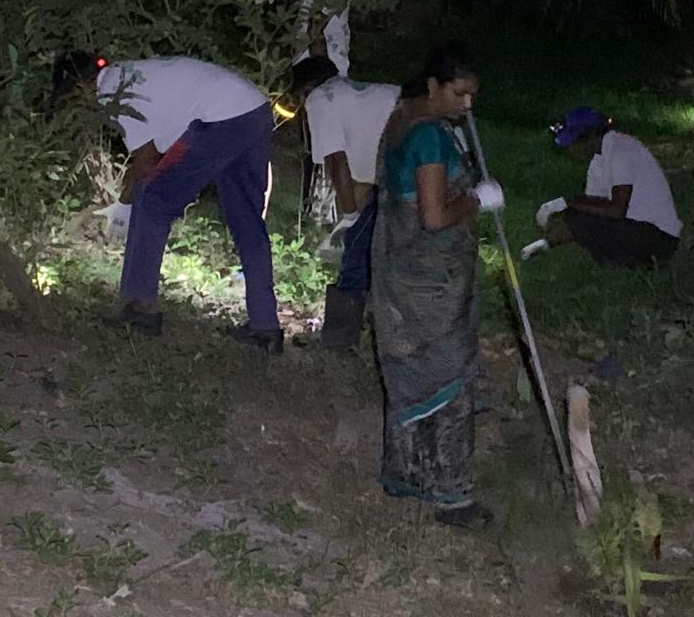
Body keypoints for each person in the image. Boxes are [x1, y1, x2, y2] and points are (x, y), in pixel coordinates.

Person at [51, 51, 283, 353]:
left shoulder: (113, 91)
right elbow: (160, 150)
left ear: (81, 85)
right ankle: (265, 327)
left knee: (152, 200)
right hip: (255, 111)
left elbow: (146, 160)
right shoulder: (131, 72)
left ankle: (141, 307)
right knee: (247, 219)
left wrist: (124, 206)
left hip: (218, 121)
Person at [371, 41, 503, 529]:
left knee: (414, 373)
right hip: (429, 283)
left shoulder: (404, 117)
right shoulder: (428, 136)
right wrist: (477, 199)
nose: (467, 104)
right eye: (459, 93)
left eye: (472, 96)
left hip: (402, 272)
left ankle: (407, 474)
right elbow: (433, 216)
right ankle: (451, 496)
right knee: (446, 376)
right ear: (433, 86)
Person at [291, 57, 400, 350]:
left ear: (307, 90)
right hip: (410, 164)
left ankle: (339, 340)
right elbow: (362, 172)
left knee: (357, 252)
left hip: (405, 167)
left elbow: (337, 162)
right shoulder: (356, 96)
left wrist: (350, 215)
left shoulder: (320, 100)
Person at [521, 106, 682, 268]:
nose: (572, 149)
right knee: (579, 216)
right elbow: (592, 207)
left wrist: (567, 202)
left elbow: (617, 209)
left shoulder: (621, 150)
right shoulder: (597, 162)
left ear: (591, 136)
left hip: (659, 235)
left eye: (575, 142)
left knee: (581, 218)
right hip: (635, 226)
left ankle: (637, 263)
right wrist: (547, 241)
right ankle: (620, 265)